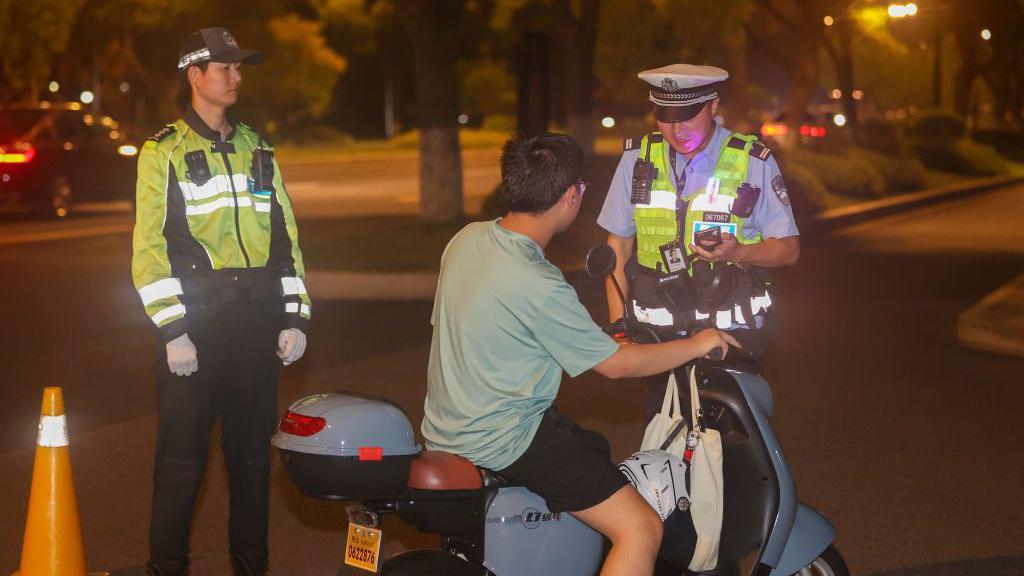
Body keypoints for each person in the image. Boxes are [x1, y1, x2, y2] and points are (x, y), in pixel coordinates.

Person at [421, 133, 738, 576]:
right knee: (641, 528)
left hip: (446, 427)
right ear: (572, 196)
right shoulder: (538, 280)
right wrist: (698, 343)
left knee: (591, 447)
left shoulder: (466, 240)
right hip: (506, 438)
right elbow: (615, 365)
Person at [131, 27, 311, 576]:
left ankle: (251, 566)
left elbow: (286, 238)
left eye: (239, 67)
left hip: (256, 322)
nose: (235, 76)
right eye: (224, 67)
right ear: (194, 74)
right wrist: (173, 331)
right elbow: (148, 249)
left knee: (253, 462)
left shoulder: (258, 147)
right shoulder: (164, 151)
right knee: (182, 462)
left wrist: (294, 316)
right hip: (198, 327)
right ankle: (167, 567)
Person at [597, 64, 800, 419]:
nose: (675, 130)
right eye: (665, 117)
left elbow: (788, 250)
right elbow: (617, 244)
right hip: (659, 342)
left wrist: (740, 251)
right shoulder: (638, 160)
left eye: (687, 117)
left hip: (731, 340)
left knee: (731, 455)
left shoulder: (751, 162)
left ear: (713, 106)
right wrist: (618, 326)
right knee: (665, 452)